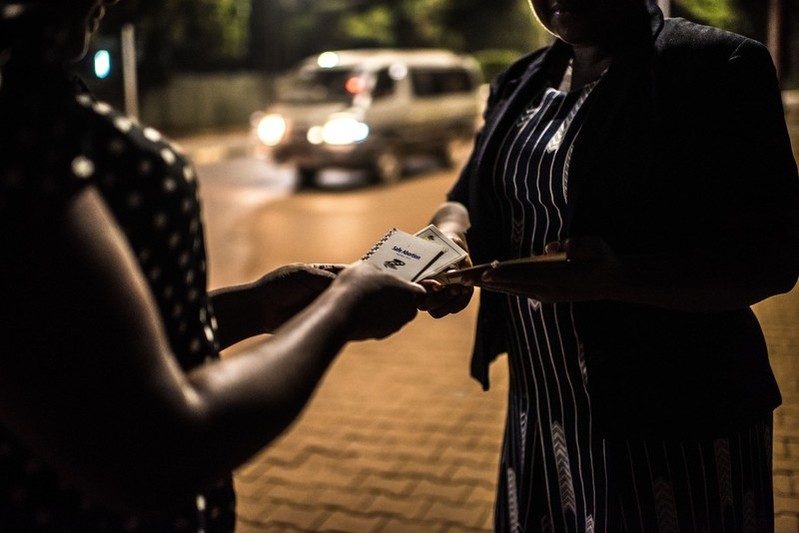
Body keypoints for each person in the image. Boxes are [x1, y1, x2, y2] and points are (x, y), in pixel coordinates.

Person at [0, 1, 425, 531]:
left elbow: (75, 355)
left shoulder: (35, 99)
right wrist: (346, 306)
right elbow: (153, 454)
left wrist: (254, 308)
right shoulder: (15, 143)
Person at [420, 0, 799, 530]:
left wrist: (616, 279)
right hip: (543, 409)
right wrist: (449, 238)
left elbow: (772, 260)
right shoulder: (520, 81)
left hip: (673, 413)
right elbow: (465, 198)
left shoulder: (714, 66)